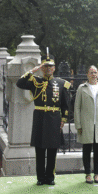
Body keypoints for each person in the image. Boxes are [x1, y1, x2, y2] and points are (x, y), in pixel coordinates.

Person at [16, 52, 72, 186]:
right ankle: (40, 178)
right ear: (41, 68)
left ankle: (50, 177)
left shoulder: (61, 84)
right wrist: (32, 71)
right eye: (45, 66)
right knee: (40, 150)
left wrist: (63, 119)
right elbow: (19, 83)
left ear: (54, 68)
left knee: (52, 150)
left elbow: (66, 104)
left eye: (50, 66)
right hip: (40, 118)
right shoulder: (35, 81)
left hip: (54, 119)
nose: (48, 69)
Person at [73, 66, 98, 185]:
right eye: (91, 72)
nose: (93, 74)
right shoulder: (82, 88)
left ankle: (96, 174)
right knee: (86, 150)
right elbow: (77, 107)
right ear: (87, 74)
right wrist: (78, 124)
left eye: (95, 72)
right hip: (86, 124)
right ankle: (88, 174)